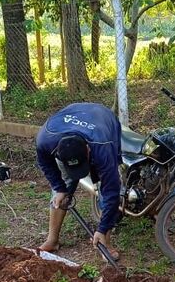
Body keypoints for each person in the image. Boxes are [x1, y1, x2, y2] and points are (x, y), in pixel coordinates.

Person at [36, 102, 122, 258]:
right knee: (62, 187)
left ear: (88, 151)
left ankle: (105, 241)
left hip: (103, 118)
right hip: (73, 114)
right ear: (58, 152)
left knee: (105, 185)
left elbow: (111, 191)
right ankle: (52, 240)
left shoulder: (103, 146)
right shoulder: (46, 139)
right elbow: (45, 163)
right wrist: (60, 188)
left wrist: (101, 229)